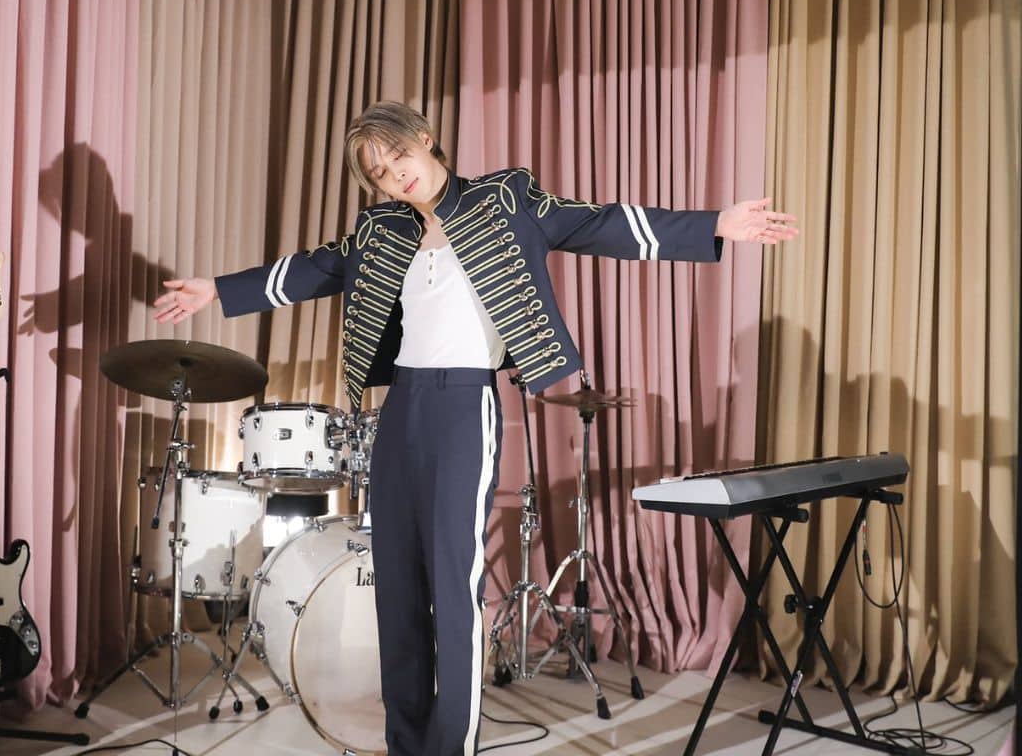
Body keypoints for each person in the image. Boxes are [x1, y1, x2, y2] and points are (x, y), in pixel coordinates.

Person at [154, 101, 797, 755]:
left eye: (398, 155)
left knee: (453, 586)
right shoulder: (380, 231)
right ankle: (406, 744)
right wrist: (217, 289)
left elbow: (601, 223)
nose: (395, 175)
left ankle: (450, 746)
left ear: (425, 138)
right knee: (397, 586)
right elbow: (316, 267)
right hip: (400, 406)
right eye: (379, 172)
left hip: (466, 404)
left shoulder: (506, 200)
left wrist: (716, 223)